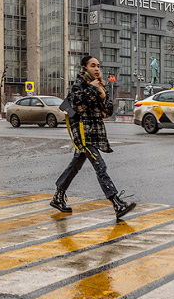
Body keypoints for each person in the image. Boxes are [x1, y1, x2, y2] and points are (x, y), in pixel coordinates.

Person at [49, 55, 137, 220]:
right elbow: (73, 103)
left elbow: (109, 112)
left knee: (75, 166)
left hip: (94, 133)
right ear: (84, 68)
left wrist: (103, 96)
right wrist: (92, 88)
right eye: (92, 65)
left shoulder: (100, 86)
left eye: (98, 66)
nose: (97, 69)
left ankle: (58, 197)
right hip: (83, 133)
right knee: (100, 166)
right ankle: (116, 203)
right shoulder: (79, 85)